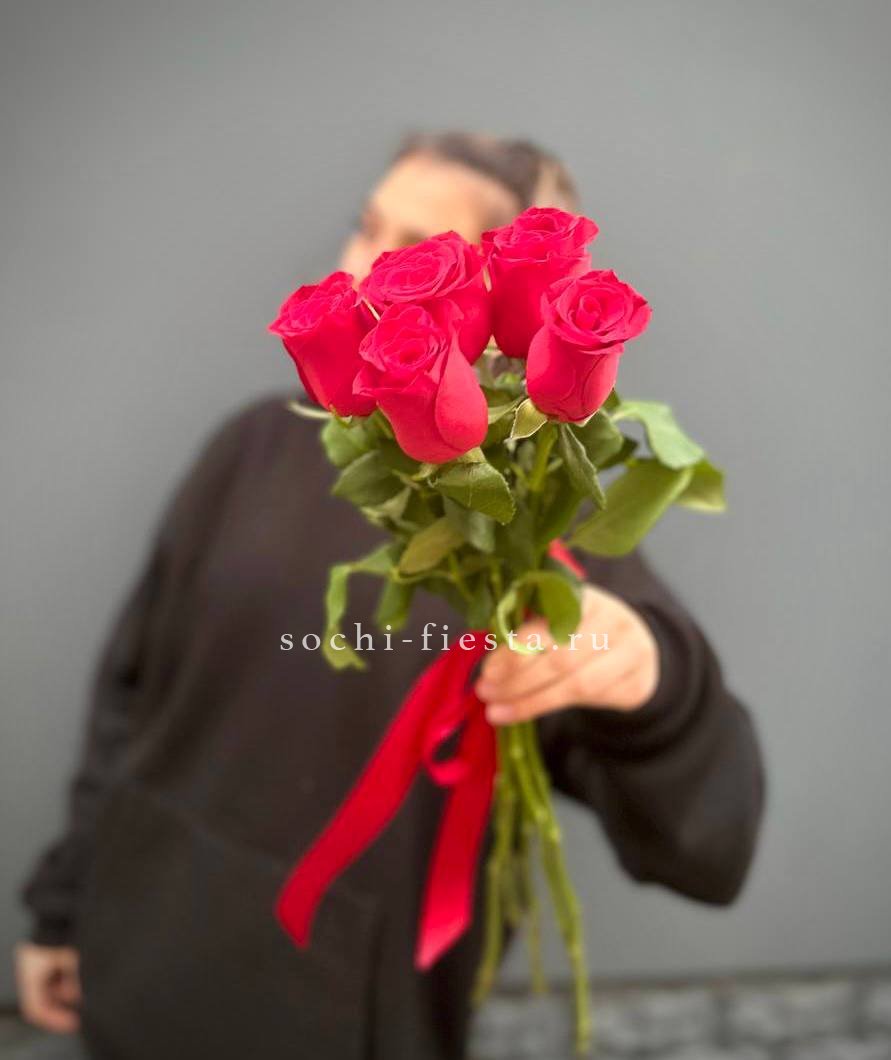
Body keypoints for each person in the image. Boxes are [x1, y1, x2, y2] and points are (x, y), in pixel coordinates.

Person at [15, 132, 765, 1060]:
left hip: (341, 1023)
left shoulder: (534, 530)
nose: (360, 268)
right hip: (135, 969)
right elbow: (129, 693)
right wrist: (64, 901)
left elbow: (711, 854)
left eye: (410, 250)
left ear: (490, 295)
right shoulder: (251, 448)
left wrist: (655, 686)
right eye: (365, 228)